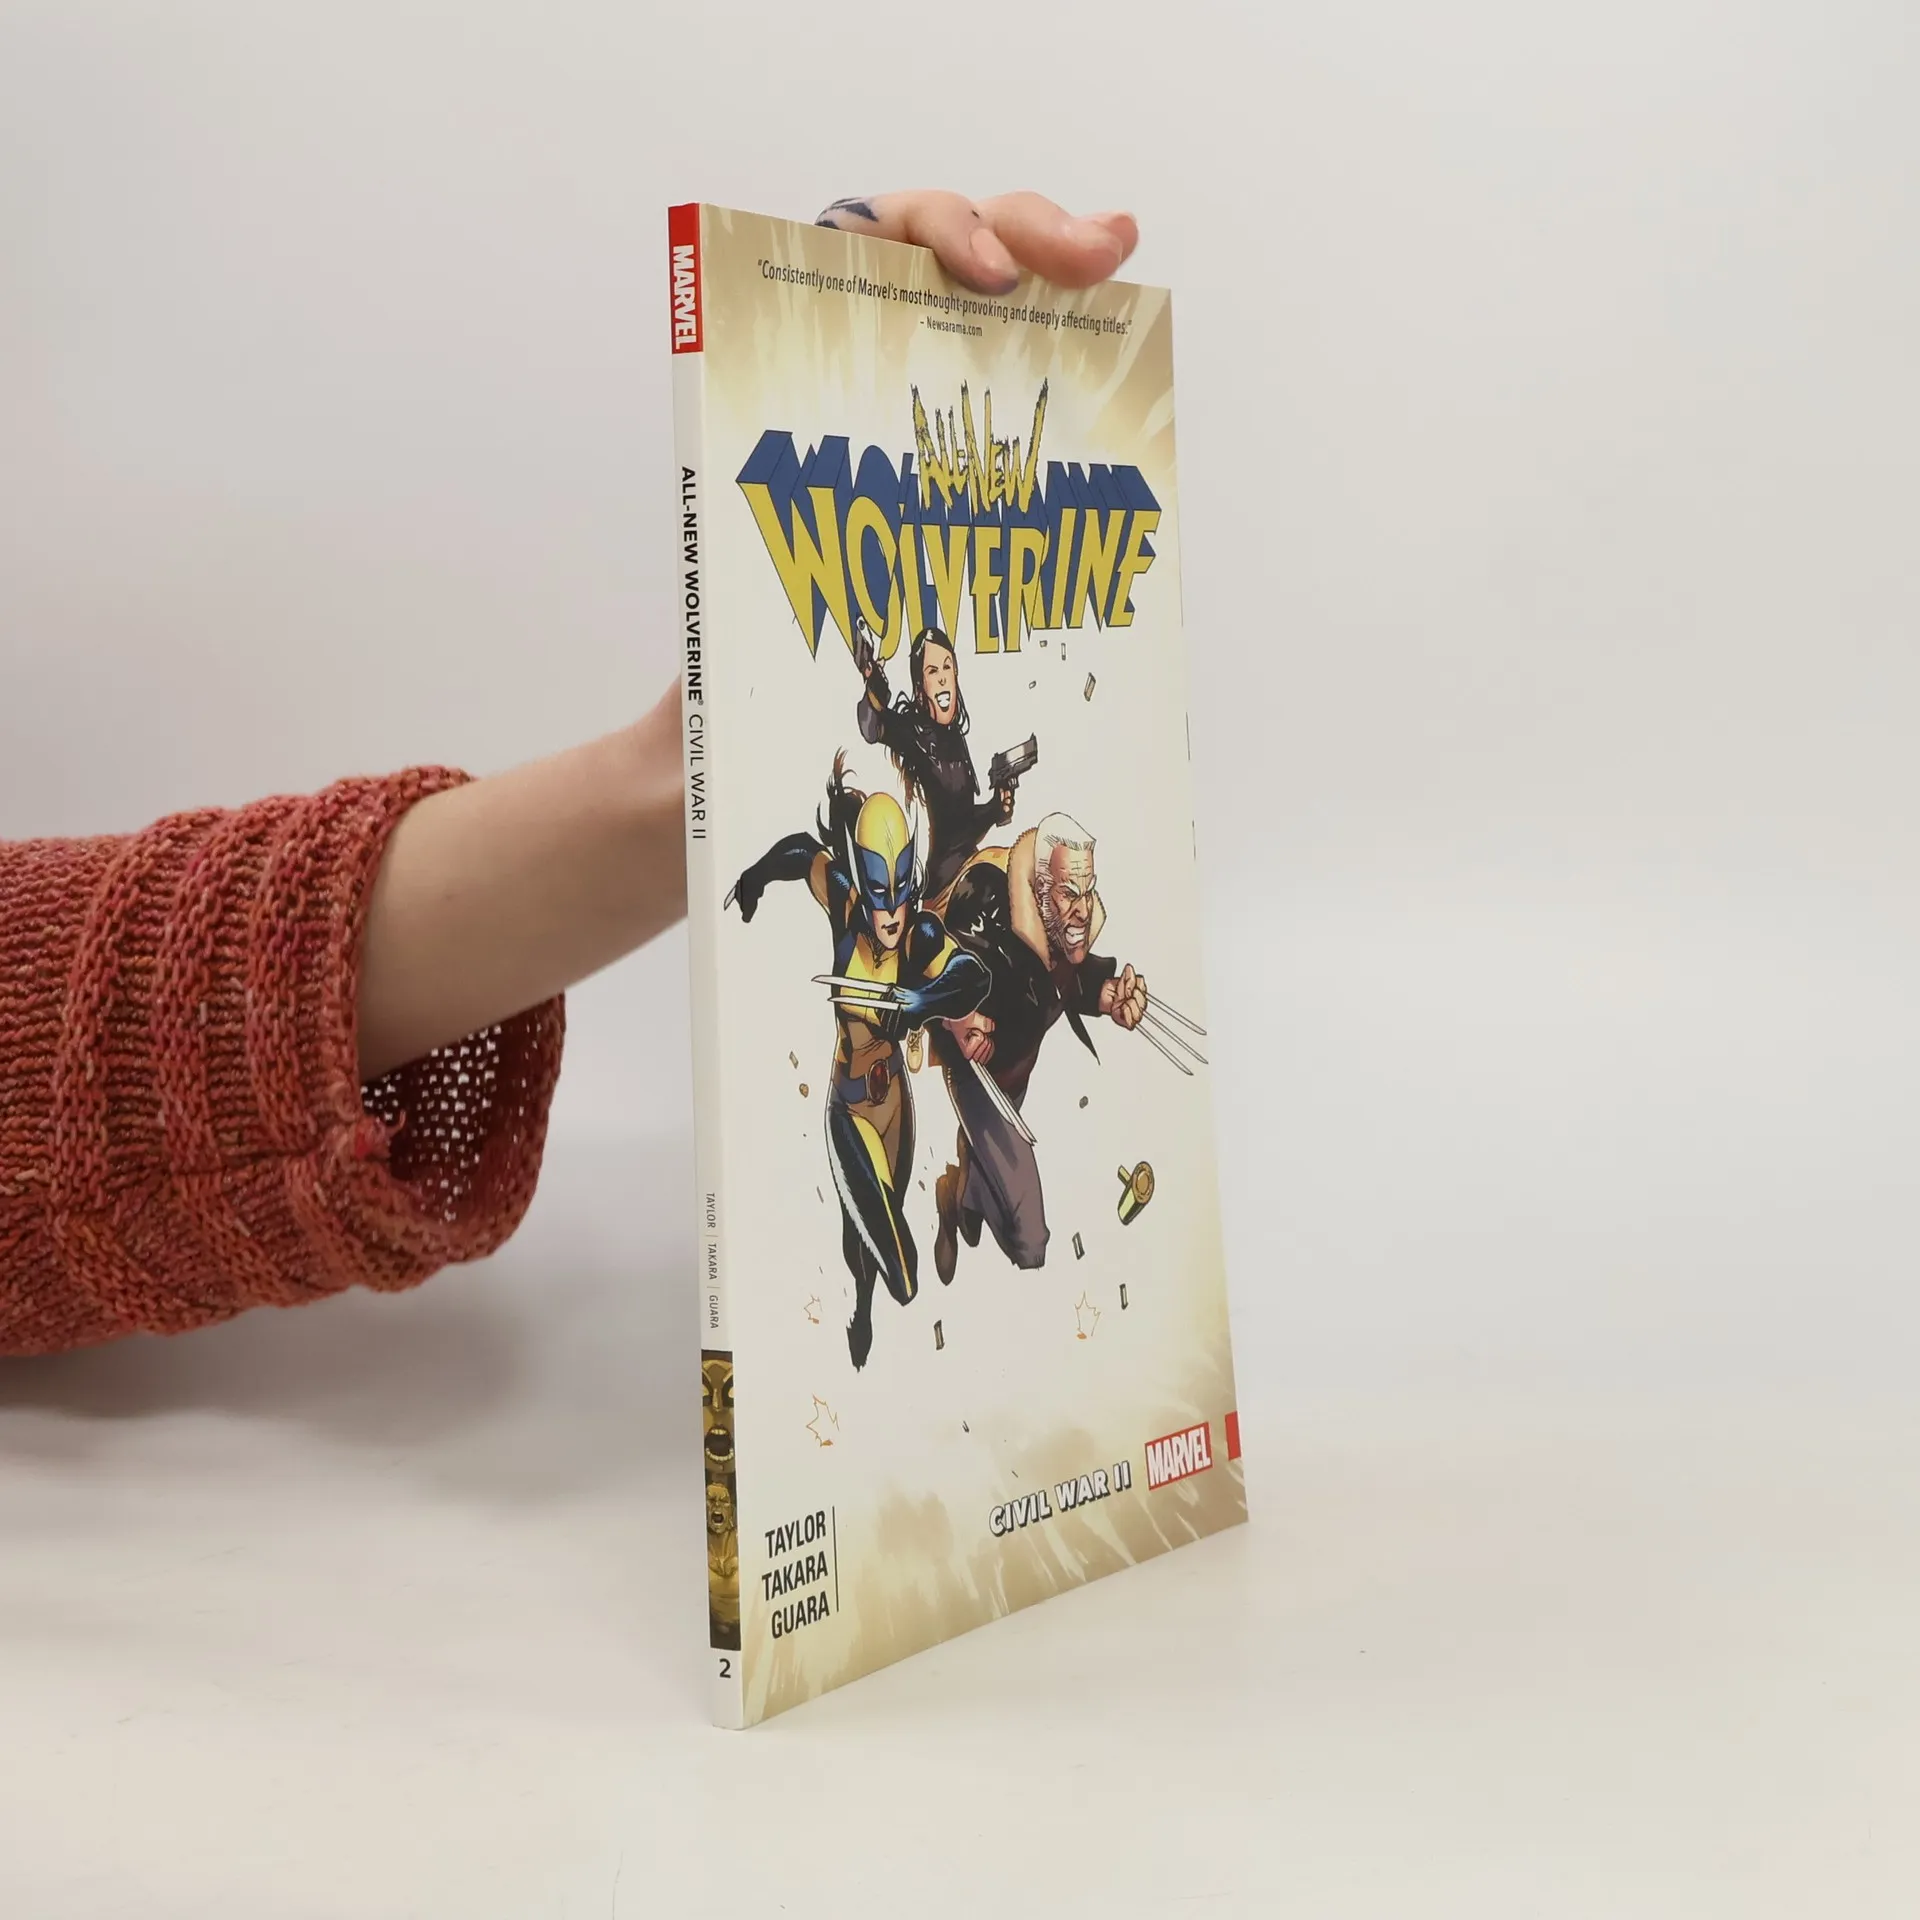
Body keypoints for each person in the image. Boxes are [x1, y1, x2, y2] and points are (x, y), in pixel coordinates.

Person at [0, 189, 1139, 1359]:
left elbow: (964, 958)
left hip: (904, 1058)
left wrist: (704, 783)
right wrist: (728, 840)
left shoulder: (933, 895)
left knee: (979, 1225)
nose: (887, 905)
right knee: (877, 1263)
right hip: (855, 1099)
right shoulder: (852, 878)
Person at [724, 758, 989, 1369]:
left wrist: (922, 1001)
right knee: (895, 1265)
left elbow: (972, 975)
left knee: (872, 1226)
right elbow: (803, 854)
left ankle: (868, 1294)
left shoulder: (920, 936)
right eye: (879, 897)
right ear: (864, 888)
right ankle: (866, 1301)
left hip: (896, 1108)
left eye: (900, 895)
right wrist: (755, 876)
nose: (891, 914)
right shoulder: (847, 912)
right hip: (849, 1108)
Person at [930, 814, 1148, 1278]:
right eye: (1069, 894)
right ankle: (966, 1193)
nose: (1083, 910)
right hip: (980, 1083)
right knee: (1031, 1242)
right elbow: (930, 965)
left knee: (989, 1172)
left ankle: (961, 1197)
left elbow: (1067, 979)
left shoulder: (1060, 934)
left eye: (1088, 892)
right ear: (1039, 891)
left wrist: (1107, 995)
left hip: (1016, 1082)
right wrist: (955, 1017)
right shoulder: (985, 914)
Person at [853, 621, 1019, 907]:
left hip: (970, 871)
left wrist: (996, 808)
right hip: (945, 886)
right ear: (921, 687)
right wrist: (873, 684)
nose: (942, 678)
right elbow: (873, 728)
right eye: (932, 671)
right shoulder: (915, 733)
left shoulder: (956, 739)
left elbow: (962, 825)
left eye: (946, 667)